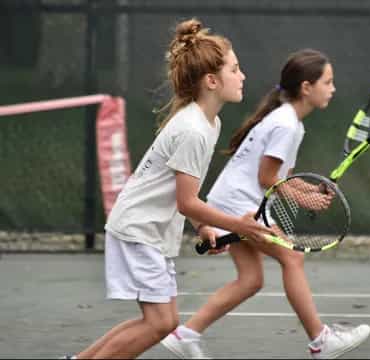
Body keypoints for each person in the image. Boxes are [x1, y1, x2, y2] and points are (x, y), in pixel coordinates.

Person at [61, 18, 275, 360]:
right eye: (235, 69)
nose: (243, 76)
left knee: (162, 321)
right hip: (138, 230)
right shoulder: (193, 129)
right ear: (211, 80)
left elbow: (183, 195)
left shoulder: (209, 123)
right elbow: (187, 201)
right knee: (160, 323)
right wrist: (239, 225)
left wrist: (204, 227)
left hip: (147, 229)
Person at [161, 49, 370, 359]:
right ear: (306, 87)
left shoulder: (288, 121)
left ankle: (185, 334)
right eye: (328, 82)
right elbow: (267, 177)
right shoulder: (286, 124)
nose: (333, 88)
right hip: (239, 206)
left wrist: (308, 192)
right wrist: (305, 198)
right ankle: (320, 340)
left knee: (250, 280)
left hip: (232, 200)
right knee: (292, 259)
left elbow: (282, 175)